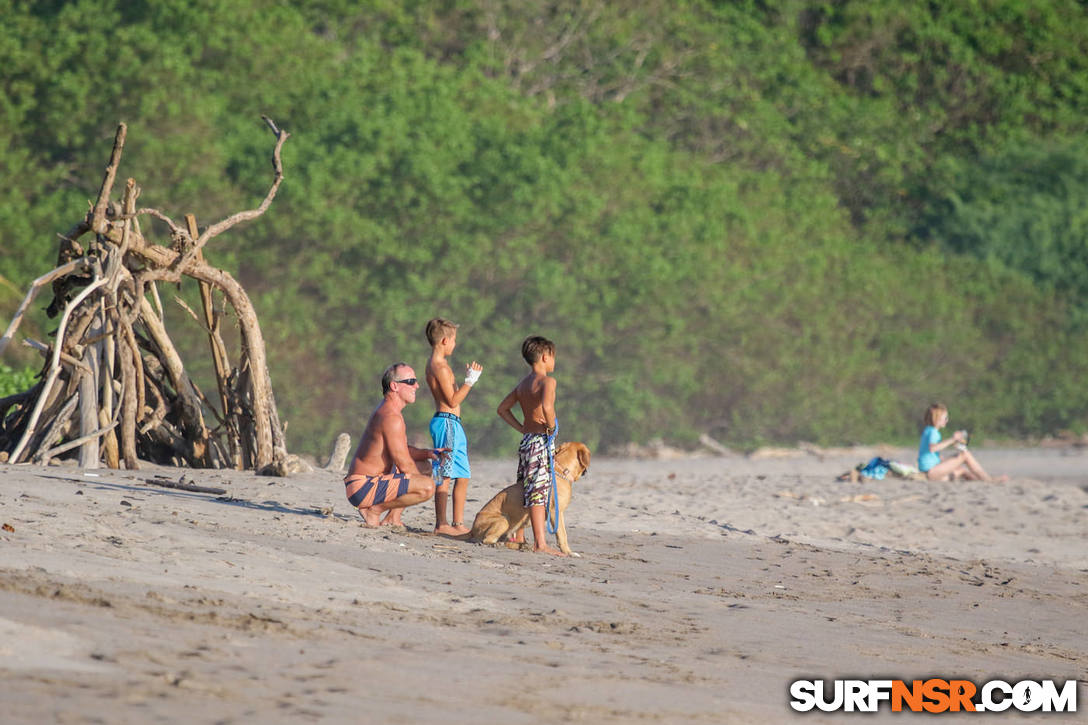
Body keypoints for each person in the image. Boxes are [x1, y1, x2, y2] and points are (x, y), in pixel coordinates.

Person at [343, 363, 440, 527]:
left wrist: (429, 453)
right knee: (427, 487)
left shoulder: (390, 411)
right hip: (363, 487)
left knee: (424, 467)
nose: (416, 385)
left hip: (367, 483)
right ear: (394, 386)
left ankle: (393, 518)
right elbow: (404, 463)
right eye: (411, 381)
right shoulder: (391, 417)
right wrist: (422, 483)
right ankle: (374, 511)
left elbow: (402, 451)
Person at [496, 335, 565, 556]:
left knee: (524, 486)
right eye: (553, 357)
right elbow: (546, 405)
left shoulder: (523, 384)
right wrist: (552, 427)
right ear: (545, 357)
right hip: (540, 441)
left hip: (527, 441)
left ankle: (519, 535)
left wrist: (522, 427)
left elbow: (502, 409)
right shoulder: (548, 382)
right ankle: (540, 543)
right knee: (538, 492)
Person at [424, 317, 483, 536]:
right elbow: (453, 400)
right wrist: (470, 381)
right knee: (445, 474)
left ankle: (458, 524)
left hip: (452, 424)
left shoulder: (437, 365)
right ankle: (442, 524)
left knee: (463, 474)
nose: (455, 344)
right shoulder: (439, 367)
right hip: (446, 423)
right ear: (444, 341)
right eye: (454, 340)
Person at [918, 403, 1006, 482]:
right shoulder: (933, 432)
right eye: (945, 418)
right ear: (936, 418)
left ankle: (979, 480)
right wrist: (953, 439)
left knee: (961, 470)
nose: (947, 420)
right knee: (965, 454)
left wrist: (946, 460)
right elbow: (933, 448)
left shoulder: (929, 430)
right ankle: (988, 479)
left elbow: (931, 454)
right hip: (931, 471)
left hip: (928, 471)